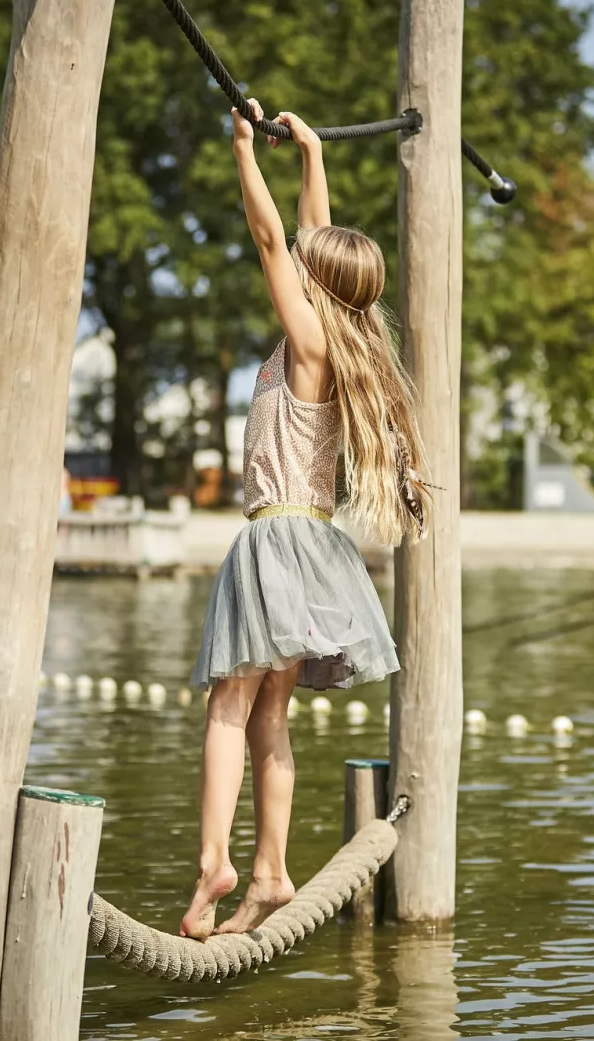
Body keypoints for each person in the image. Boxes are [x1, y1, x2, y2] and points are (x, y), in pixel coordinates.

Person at [180, 101, 431, 940]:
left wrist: (246, 153)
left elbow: (271, 240)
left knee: (227, 706)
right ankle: (272, 871)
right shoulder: (338, 340)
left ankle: (215, 857)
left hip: (274, 537)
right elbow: (310, 237)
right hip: (315, 543)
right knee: (270, 719)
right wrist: (313, 160)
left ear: (314, 286)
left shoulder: (309, 345)